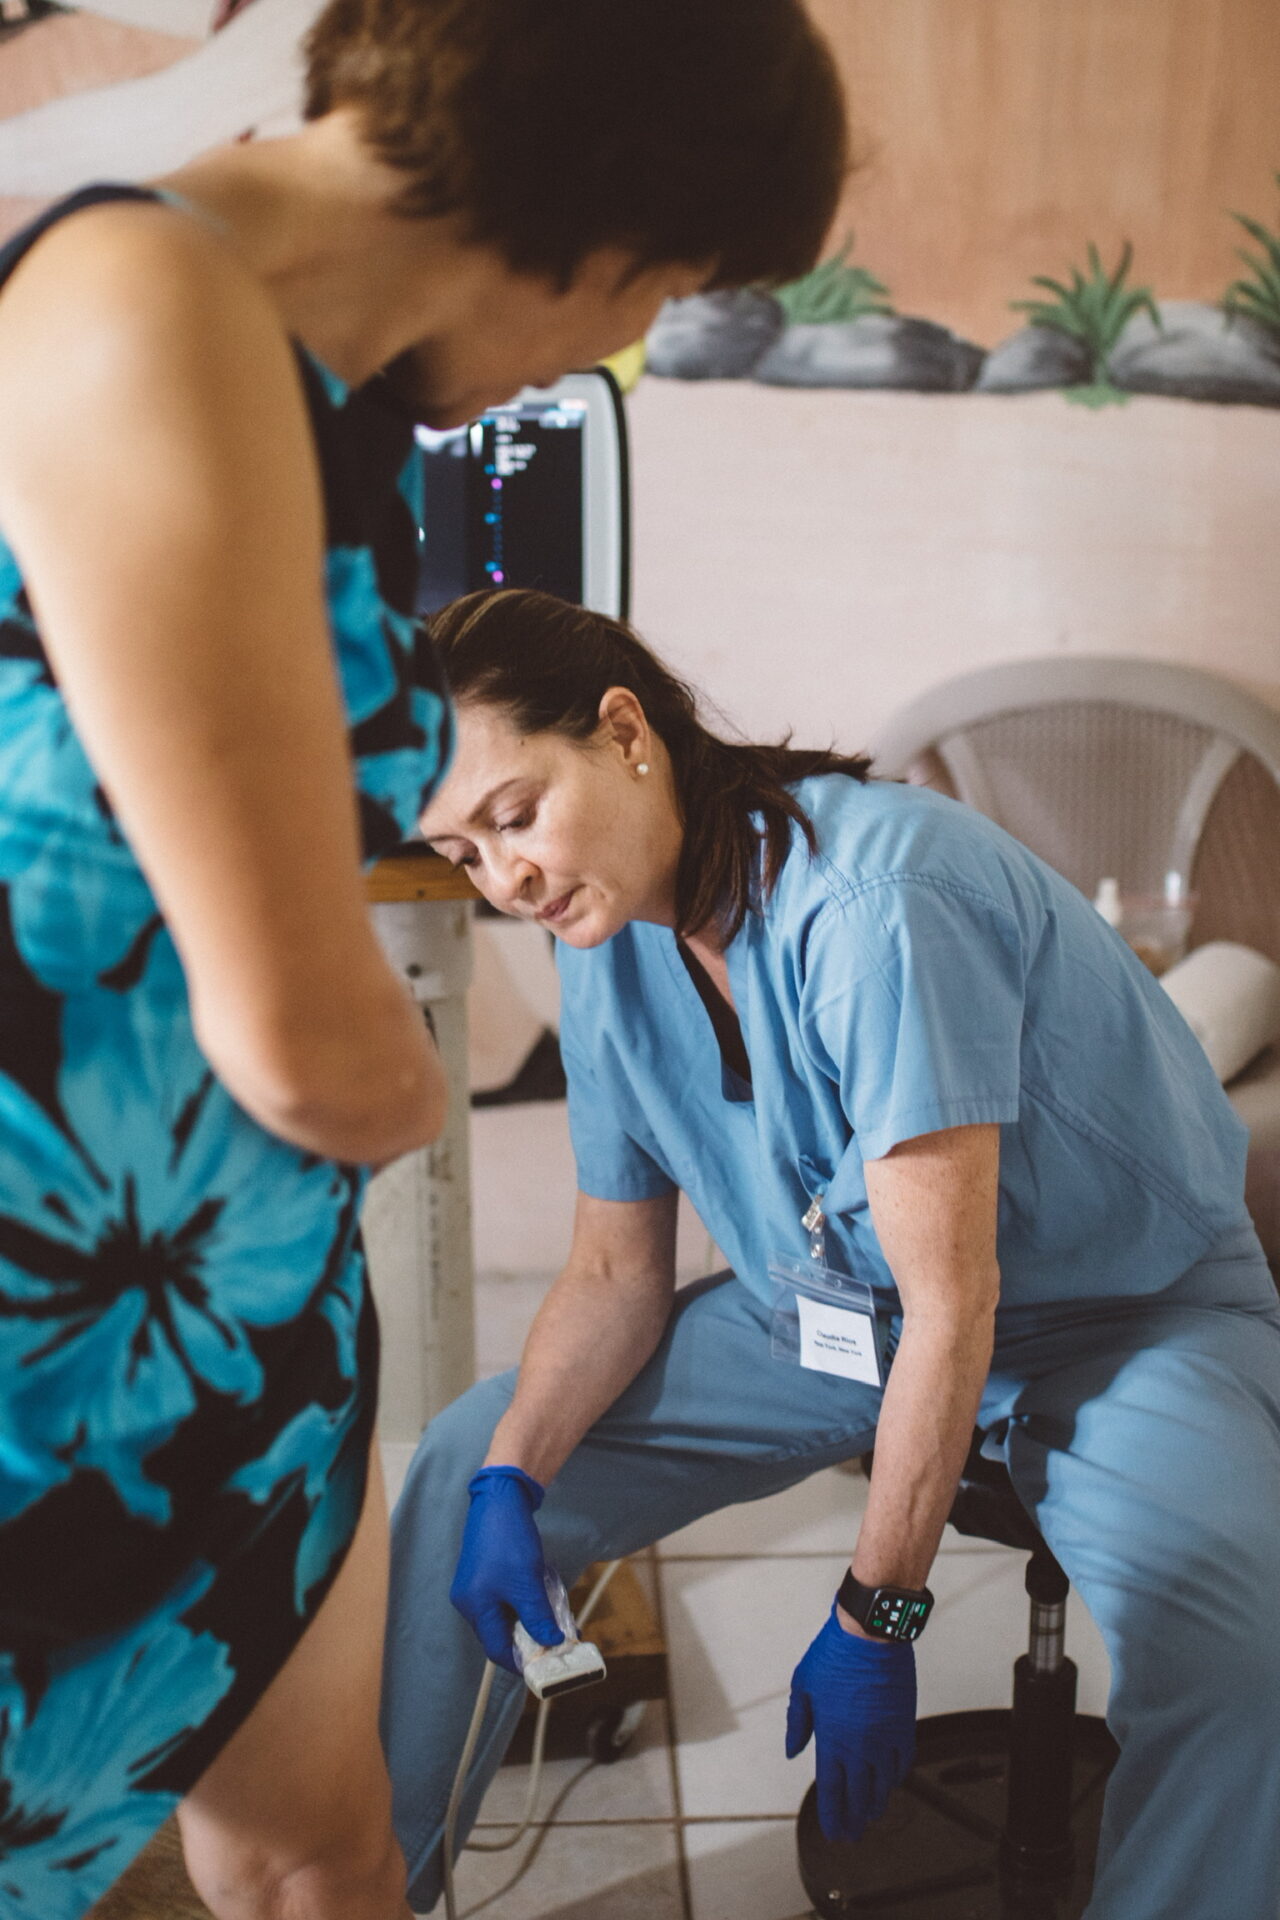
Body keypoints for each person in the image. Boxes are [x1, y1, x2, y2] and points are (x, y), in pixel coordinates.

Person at [0, 2, 848, 1915]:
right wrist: (399, 1098)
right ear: (614, 218)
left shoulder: (315, 391)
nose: (617, 341)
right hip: (64, 1336)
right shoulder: (147, 300)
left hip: (232, 1315)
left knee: (328, 1858)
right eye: (663, 289)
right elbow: (301, 1038)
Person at [385, 587, 1280, 1920]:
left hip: (1113, 1321)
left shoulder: (876, 904)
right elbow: (617, 1276)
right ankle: (359, 1889)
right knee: (464, 1464)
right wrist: (519, 1479)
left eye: (516, 817)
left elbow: (954, 1301)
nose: (506, 880)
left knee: (1242, 1661)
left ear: (625, 731)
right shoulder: (604, 936)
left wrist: (879, 1619)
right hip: (831, 1316)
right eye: (462, 854)